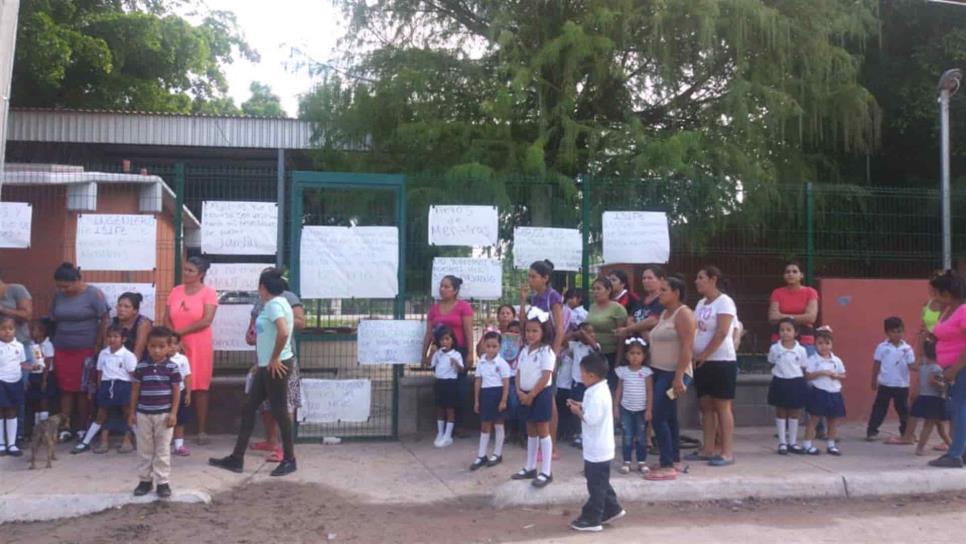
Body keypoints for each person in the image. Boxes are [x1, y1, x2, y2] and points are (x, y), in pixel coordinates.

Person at [209, 269, 298, 477]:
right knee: (249, 408)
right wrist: (265, 360)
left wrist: (275, 357)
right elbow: (271, 334)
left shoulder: (275, 304)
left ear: (262, 288)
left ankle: (289, 459)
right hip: (266, 365)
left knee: (280, 411)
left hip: (276, 365)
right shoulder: (278, 303)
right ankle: (237, 457)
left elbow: (284, 331)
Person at [245, 270, 305, 463]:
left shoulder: (287, 299)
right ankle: (270, 440)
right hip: (262, 360)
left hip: (282, 360)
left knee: (284, 404)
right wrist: (252, 333)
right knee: (264, 405)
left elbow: (300, 323)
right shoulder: (260, 300)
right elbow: (254, 326)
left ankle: (285, 450)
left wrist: (279, 317)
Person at [50, 262, 110, 441]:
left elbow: (104, 318)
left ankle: (83, 426)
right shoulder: (58, 296)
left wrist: (99, 344)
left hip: (86, 348)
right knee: (65, 389)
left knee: (83, 390)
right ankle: (66, 426)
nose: (63, 289)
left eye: (66, 286)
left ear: (77, 280)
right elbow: (53, 317)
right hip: (62, 348)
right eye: (59, 286)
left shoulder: (93, 294)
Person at [566, 352, 625, 533]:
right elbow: (592, 410)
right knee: (600, 481)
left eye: (582, 373)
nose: (581, 376)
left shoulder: (598, 394)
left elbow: (591, 419)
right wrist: (580, 404)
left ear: (592, 375)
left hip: (598, 449)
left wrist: (577, 411)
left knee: (595, 485)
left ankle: (592, 518)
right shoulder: (596, 390)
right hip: (596, 447)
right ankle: (612, 508)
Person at [645, 275, 695, 481]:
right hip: (658, 371)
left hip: (674, 372)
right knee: (669, 416)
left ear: (676, 293)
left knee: (658, 416)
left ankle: (667, 465)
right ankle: (673, 458)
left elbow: (687, 346)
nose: (660, 293)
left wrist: (678, 376)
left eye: (664, 290)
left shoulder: (683, 314)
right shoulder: (665, 314)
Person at [518, 260, 570, 458]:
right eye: (529, 276)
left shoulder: (553, 297)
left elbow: (560, 329)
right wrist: (523, 301)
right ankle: (540, 443)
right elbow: (525, 323)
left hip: (547, 353)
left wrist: (554, 357)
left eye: (533, 276)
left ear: (545, 278)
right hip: (534, 352)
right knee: (538, 396)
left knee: (550, 400)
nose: (530, 280)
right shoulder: (534, 297)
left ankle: (552, 446)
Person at [164, 256, 218, 444]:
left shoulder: (209, 293)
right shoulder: (176, 291)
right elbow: (167, 318)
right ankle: (175, 431)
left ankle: (202, 430)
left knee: (199, 387)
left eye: (190, 271)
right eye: (185, 269)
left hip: (198, 344)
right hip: (173, 345)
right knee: (173, 384)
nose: (186, 273)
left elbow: (206, 320)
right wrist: (173, 340)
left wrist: (179, 334)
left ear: (201, 274)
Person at [688, 266, 739, 467]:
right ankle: (707, 448)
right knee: (706, 405)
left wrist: (704, 355)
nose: (697, 281)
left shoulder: (725, 302)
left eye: (701, 278)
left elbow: (722, 332)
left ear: (713, 279)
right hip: (702, 361)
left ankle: (726, 452)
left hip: (721, 361)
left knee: (722, 406)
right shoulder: (700, 303)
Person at [129, 327, 181, 498]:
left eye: (161, 346)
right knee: (144, 448)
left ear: (168, 348)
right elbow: (135, 390)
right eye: (153, 346)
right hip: (143, 414)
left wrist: (173, 413)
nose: (157, 350)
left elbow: (176, 392)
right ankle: (144, 480)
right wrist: (132, 412)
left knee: (162, 449)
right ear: (147, 347)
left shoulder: (172, 368)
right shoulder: (142, 367)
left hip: (164, 415)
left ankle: (162, 482)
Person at [423, 275, 475, 438]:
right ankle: (443, 427)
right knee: (443, 388)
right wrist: (424, 353)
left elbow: (468, 330)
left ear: (455, 290)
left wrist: (471, 352)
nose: (442, 289)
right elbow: (429, 333)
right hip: (441, 353)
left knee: (459, 389)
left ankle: (458, 425)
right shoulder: (434, 309)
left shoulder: (463, 307)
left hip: (459, 351)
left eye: (446, 287)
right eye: (441, 286)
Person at [72, 325, 137, 454]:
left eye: (116, 337)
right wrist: (100, 388)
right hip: (106, 385)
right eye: (109, 336)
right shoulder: (103, 353)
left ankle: (133, 440)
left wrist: (133, 393)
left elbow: (133, 376)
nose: (112, 339)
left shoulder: (128, 355)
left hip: (123, 385)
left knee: (127, 413)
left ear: (123, 339)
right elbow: (100, 373)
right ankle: (86, 442)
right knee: (101, 414)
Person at [510, 312, 556, 488]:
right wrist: (520, 391)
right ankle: (530, 467)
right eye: (528, 331)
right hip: (525, 393)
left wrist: (531, 395)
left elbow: (545, 376)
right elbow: (518, 372)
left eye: (535, 331)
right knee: (530, 430)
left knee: (543, 430)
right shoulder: (524, 350)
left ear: (543, 332)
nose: (530, 334)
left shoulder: (547, 351)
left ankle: (546, 471)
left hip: (540, 394)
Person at [927, 271, 966, 468]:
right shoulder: (948, 310)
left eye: (937, 292)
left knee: (959, 410)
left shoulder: (963, 310)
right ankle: (961, 451)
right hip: (951, 368)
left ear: (947, 293)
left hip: (961, 368)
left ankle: (955, 453)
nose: (933, 295)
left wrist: (956, 368)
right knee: (958, 410)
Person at [866, 317, 915, 442]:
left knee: (903, 410)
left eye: (899, 331)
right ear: (887, 333)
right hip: (885, 384)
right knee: (879, 409)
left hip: (902, 385)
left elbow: (912, 365)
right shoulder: (882, 347)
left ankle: (906, 432)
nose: (897, 334)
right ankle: (872, 431)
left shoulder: (907, 349)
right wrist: (874, 379)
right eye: (893, 331)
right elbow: (877, 364)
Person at [0, 271, 34, 443]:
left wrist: (2, 309)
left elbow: (27, 315)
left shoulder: (16, 290)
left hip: (19, 347)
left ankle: (17, 436)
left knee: (17, 393)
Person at [802, 328, 847, 456]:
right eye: (820, 343)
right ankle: (807, 444)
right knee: (814, 419)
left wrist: (836, 376)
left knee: (832, 420)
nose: (824, 346)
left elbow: (843, 375)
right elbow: (808, 376)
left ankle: (831, 444)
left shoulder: (836, 360)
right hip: (819, 391)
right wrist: (821, 372)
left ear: (831, 344)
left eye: (827, 343)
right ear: (815, 344)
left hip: (834, 391)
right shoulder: (812, 359)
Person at [767, 318, 809, 454]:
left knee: (794, 412)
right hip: (780, 380)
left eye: (789, 330)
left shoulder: (801, 350)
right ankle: (782, 442)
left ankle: (793, 442)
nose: (785, 333)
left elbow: (803, 366)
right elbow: (771, 361)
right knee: (781, 411)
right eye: (782, 330)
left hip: (795, 381)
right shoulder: (775, 348)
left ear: (796, 332)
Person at [471, 331, 511, 470]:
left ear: (499, 347)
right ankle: (481, 455)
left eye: (494, 346)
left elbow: (506, 383)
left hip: (498, 393)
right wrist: (476, 400)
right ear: (484, 346)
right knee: (485, 425)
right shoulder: (481, 362)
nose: (491, 349)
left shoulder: (502, 363)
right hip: (485, 394)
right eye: (488, 346)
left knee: (499, 424)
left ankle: (497, 453)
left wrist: (504, 400)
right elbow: (478, 381)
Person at [614, 337, 653, 474]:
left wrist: (649, 409)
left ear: (644, 356)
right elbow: (619, 389)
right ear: (626, 355)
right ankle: (627, 462)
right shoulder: (623, 371)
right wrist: (616, 407)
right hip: (626, 408)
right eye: (632, 353)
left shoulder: (647, 372)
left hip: (641, 409)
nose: (635, 357)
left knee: (641, 436)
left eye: (638, 353)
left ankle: (642, 462)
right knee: (627, 436)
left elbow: (649, 391)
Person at [769, 261, 819, 355]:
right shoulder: (777, 293)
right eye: (787, 272)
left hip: (805, 338)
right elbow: (772, 317)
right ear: (784, 275)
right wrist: (801, 317)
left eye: (794, 271)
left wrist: (783, 317)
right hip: (780, 339)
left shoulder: (810, 292)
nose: (790, 274)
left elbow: (811, 318)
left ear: (801, 275)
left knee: (806, 368)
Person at [586, 277, 628, 391]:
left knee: (608, 388)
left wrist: (618, 360)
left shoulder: (618, 309)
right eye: (593, 289)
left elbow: (622, 335)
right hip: (593, 353)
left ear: (608, 290)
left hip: (610, 354)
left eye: (598, 289)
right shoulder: (592, 306)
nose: (595, 292)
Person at [911, 341, 951, 456]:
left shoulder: (923, 367)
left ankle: (951, 445)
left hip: (924, 397)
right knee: (929, 425)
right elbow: (933, 381)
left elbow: (922, 382)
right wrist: (944, 386)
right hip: (934, 400)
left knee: (939, 425)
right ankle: (920, 448)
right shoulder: (937, 368)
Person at [426, 326, 463, 448]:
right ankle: (440, 433)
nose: (444, 342)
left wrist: (456, 364)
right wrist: (432, 352)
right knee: (440, 409)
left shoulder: (456, 354)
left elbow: (461, 369)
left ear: (452, 340)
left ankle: (448, 436)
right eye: (442, 340)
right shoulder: (438, 354)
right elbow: (430, 364)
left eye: (447, 339)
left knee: (450, 409)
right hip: (439, 383)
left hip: (450, 384)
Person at [0, 315, 30, 456]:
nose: (7, 332)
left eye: (10, 328)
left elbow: (22, 363)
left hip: (15, 381)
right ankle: (1, 443)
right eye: (3, 329)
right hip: (1, 381)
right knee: (1, 412)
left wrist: (33, 367)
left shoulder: (19, 346)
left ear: (15, 330)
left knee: (12, 411)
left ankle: (11, 444)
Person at [566, 322, 600, 448]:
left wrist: (585, 335)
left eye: (590, 331)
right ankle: (578, 433)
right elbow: (564, 341)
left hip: (590, 384)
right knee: (575, 407)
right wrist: (575, 334)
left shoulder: (594, 347)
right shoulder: (575, 345)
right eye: (584, 331)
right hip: (577, 382)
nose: (587, 334)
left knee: (587, 409)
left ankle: (586, 435)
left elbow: (595, 348)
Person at [616, 266, 666, 342]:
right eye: (644, 278)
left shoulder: (663, 300)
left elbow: (652, 321)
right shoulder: (640, 301)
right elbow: (630, 319)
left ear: (661, 280)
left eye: (650, 278)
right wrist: (642, 331)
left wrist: (628, 329)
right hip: (635, 344)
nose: (646, 281)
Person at [25, 319, 55, 432]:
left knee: (44, 401)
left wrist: (44, 380)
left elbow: (47, 363)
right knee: (35, 401)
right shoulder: (31, 345)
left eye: (34, 330)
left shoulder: (47, 345)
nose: (31, 332)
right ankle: (36, 428)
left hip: (45, 375)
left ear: (42, 332)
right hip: (33, 375)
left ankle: (44, 428)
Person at [169, 334, 193, 456]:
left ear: (179, 345)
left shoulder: (182, 359)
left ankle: (179, 445)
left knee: (179, 420)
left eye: (175, 343)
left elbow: (187, 376)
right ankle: (162, 444)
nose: (172, 347)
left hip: (180, 393)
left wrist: (188, 393)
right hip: (164, 393)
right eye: (169, 344)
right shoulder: (161, 359)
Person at [113, 293, 152, 360]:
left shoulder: (143, 323)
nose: (121, 309)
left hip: (137, 362)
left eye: (126, 307)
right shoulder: (111, 322)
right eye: (119, 305)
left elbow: (138, 352)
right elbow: (106, 348)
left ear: (135, 311)